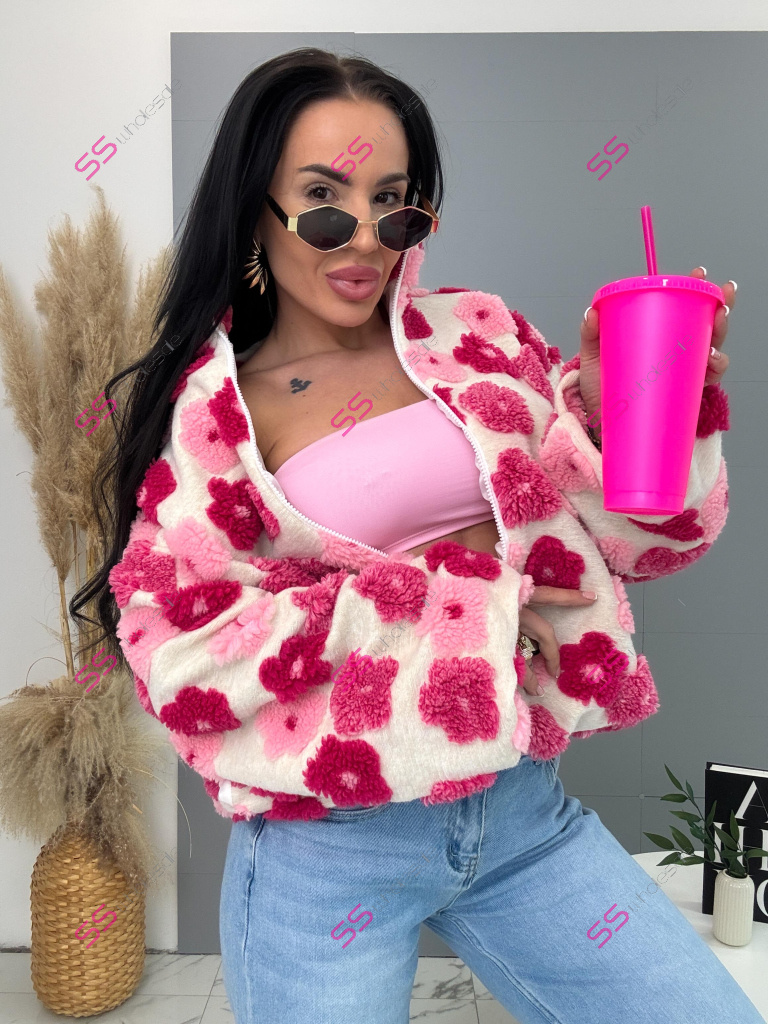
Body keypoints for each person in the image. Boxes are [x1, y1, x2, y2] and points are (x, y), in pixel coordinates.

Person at [71, 47, 753, 1024]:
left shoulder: (477, 336)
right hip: (330, 846)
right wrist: (459, 613)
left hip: (520, 813)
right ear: (256, 209)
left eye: (392, 205)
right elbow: (182, 656)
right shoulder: (216, 415)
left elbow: (640, 543)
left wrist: (621, 411)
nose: (363, 238)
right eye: (323, 200)